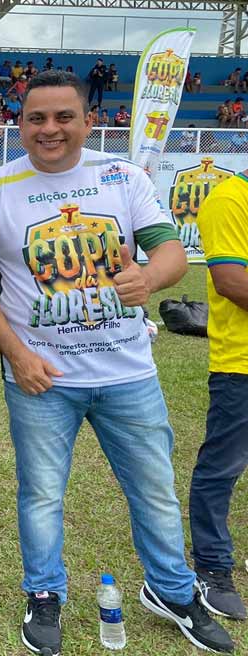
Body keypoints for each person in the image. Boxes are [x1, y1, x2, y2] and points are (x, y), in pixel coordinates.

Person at [0, 69, 236, 656]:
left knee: (155, 491)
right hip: (41, 377)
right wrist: (15, 354)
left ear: (89, 121)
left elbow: (169, 251)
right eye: (36, 118)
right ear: (19, 124)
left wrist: (149, 278)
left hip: (128, 372)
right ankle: (43, 594)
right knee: (41, 495)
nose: (50, 129)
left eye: (64, 117)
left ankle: (172, 591)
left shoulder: (122, 177)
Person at [188, 167, 248, 622]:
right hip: (241, 364)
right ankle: (212, 566)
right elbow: (230, 281)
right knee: (221, 469)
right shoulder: (230, 198)